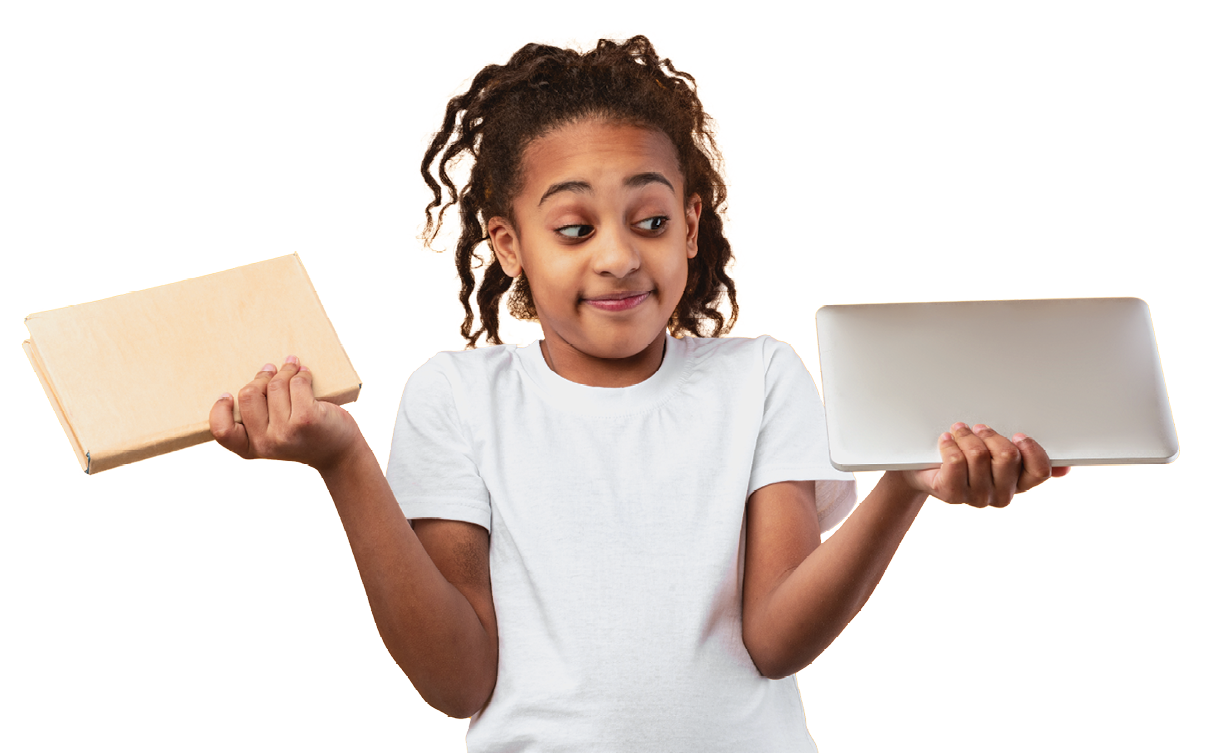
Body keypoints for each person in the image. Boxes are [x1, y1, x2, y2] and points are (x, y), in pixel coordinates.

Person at [209, 32, 1070, 752]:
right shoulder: (457, 397)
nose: (618, 255)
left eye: (650, 221)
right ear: (509, 245)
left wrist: (904, 484)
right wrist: (342, 461)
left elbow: (774, 637)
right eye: (574, 228)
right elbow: (456, 677)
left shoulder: (758, 378)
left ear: (690, 225)